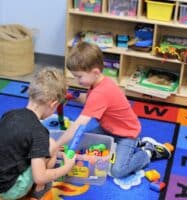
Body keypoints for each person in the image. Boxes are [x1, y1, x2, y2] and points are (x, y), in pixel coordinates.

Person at [56, 42, 171, 179]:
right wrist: (72, 97)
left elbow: (79, 125)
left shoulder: (100, 93)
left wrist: (57, 144)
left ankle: (148, 152)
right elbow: (90, 102)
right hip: (107, 128)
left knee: (117, 171)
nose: (76, 80)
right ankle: (136, 144)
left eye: (79, 76)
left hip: (126, 134)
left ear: (95, 72)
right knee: (82, 141)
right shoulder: (98, 82)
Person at [0, 67, 76, 200]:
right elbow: (40, 176)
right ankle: (39, 189)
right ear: (53, 104)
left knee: (42, 146)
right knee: (52, 147)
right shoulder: (39, 132)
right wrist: (66, 168)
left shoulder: (9, 114)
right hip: (9, 190)